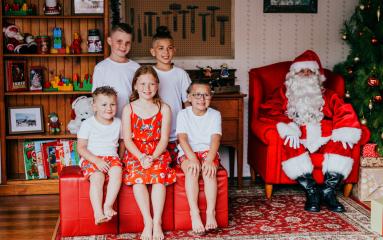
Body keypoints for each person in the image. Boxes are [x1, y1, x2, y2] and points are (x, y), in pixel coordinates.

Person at [259, 50, 362, 213]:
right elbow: (268, 111)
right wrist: (287, 126)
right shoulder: (284, 94)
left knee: (342, 140)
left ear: (317, 75)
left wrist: (343, 129)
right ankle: (312, 191)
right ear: (294, 74)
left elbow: (345, 112)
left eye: (310, 71)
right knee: (289, 141)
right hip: (299, 138)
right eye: (302, 71)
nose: (306, 74)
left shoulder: (329, 95)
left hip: (324, 138)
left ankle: (328, 192)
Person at [122, 66, 176, 240]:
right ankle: (147, 221)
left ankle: (157, 222)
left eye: (151, 84)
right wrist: (140, 157)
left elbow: (164, 140)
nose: (147, 88)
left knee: (159, 178)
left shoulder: (164, 108)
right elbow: (127, 140)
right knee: (138, 179)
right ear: (135, 86)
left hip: (157, 151)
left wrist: (152, 157)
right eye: (143, 84)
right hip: (135, 152)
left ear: (157, 86)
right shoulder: (128, 109)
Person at [176, 81, 222, 234]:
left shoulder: (215, 114)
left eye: (206, 95)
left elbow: (215, 139)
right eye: (197, 95)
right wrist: (193, 159)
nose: (201, 99)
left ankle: (210, 212)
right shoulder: (183, 114)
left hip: (208, 151)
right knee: (191, 171)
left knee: (209, 172)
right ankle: (194, 213)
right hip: (188, 152)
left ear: (211, 97)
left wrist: (209, 159)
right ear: (189, 97)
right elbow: (182, 138)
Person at [77, 86, 122, 225]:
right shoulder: (88, 124)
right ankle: (98, 212)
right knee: (97, 177)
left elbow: (122, 142)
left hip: (112, 157)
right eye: (104, 104)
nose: (109, 108)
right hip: (92, 157)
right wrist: (96, 161)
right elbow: (81, 147)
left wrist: (119, 158)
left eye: (112, 104)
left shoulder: (119, 123)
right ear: (94, 106)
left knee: (117, 171)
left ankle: (108, 205)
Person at [150, 26, 191, 163]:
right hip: (154, 134)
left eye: (169, 48)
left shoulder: (181, 74)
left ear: (174, 50)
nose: (166, 52)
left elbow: (188, 104)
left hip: (177, 133)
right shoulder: (148, 74)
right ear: (153, 51)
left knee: (178, 165)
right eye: (161, 48)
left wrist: (187, 129)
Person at [92, 22, 140, 119]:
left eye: (127, 43)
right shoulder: (101, 68)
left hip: (131, 119)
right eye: (119, 41)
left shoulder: (136, 68)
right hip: (107, 121)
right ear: (109, 41)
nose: (123, 46)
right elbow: (96, 97)